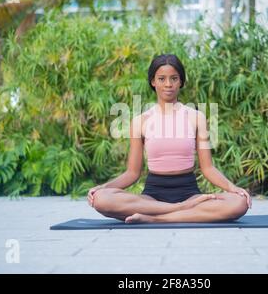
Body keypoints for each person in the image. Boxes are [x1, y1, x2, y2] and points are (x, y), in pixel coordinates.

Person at [87, 54, 251, 223]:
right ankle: (177, 211)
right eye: (161, 79)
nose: (168, 84)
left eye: (174, 78)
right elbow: (132, 173)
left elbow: (208, 168)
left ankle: (157, 219)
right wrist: (103, 188)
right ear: (153, 81)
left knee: (238, 203)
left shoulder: (196, 117)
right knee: (102, 199)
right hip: (152, 197)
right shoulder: (140, 121)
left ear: (181, 81)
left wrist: (232, 188)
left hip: (189, 194)